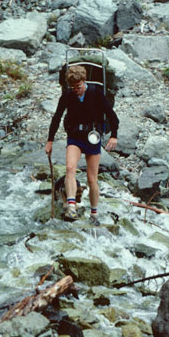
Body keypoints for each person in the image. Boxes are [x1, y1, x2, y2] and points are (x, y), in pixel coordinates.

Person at [45, 65, 118, 224]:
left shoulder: (96, 92)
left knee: (92, 179)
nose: (76, 90)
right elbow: (56, 118)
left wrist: (114, 136)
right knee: (70, 168)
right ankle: (71, 206)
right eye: (73, 87)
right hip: (75, 137)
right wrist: (50, 140)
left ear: (84, 81)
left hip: (92, 137)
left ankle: (94, 214)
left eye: (78, 87)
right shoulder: (67, 95)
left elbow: (112, 116)